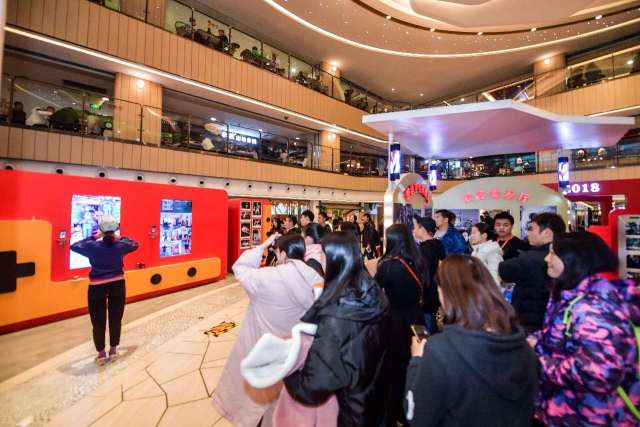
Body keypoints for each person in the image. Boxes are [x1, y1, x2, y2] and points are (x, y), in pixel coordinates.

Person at [405, 255, 539, 427]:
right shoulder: (522, 345)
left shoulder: (440, 351)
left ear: (446, 292)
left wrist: (417, 361)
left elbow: (417, 417)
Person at [213, 233, 323, 426]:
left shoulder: (267, 277)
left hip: (260, 351)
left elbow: (240, 267)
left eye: (277, 251)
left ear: (283, 253)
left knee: (255, 403)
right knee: (280, 406)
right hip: (293, 356)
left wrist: (262, 246)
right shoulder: (315, 278)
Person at [532, 232, 639, 426]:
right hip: (569, 410)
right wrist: (534, 341)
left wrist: (539, 361)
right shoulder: (572, 295)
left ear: (573, 259)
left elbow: (598, 374)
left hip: (593, 415)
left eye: (553, 253)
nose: (547, 258)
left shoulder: (594, 307)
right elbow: (561, 336)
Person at [284, 232, 390, 426]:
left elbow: (312, 387)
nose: (320, 260)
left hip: (351, 411)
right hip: (376, 401)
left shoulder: (336, 315)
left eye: (323, 255)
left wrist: (286, 369)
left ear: (336, 260)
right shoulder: (373, 292)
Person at [374, 224, 427, 427]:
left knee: (394, 369)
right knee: (413, 365)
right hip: (417, 319)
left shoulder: (388, 266)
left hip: (395, 321)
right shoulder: (419, 261)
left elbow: (374, 292)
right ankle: (411, 408)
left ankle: (395, 412)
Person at [69, 216, 138, 365]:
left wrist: (94, 237)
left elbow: (74, 246)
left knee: (97, 320)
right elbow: (134, 244)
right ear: (115, 229)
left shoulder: (92, 246)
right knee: (116, 318)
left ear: (100, 229)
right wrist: (118, 237)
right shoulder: (120, 245)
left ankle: (101, 354)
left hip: (96, 286)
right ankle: (113, 351)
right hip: (117, 284)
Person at [499, 213, 566, 332]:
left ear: (547, 233)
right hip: (553, 321)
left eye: (531, 229)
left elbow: (505, 270)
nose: (528, 233)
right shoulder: (566, 254)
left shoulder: (531, 257)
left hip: (530, 322)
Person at [412, 216, 445, 333]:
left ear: (423, 230)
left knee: (427, 330)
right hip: (435, 293)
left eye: (416, 228)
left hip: (427, 296)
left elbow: (424, 275)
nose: (414, 230)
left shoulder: (425, 250)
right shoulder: (437, 245)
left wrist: (420, 295)